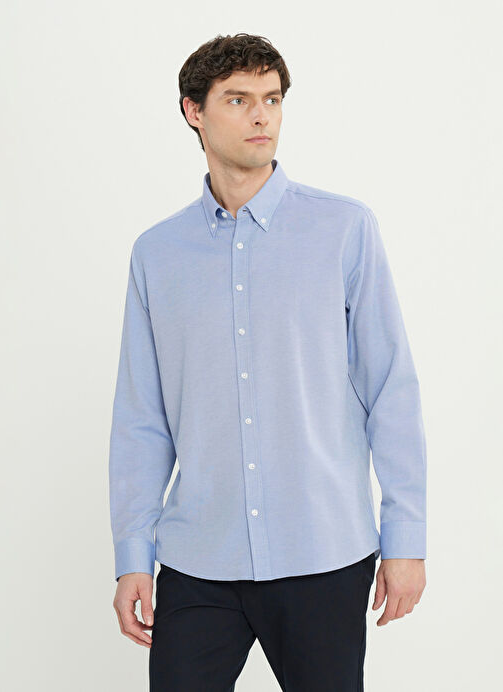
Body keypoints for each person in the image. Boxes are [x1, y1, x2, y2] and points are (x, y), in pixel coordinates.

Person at [109, 32, 427, 691]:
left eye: (272, 99)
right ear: (194, 111)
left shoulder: (343, 230)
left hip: (323, 554)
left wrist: (405, 539)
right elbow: (142, 418)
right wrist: (133, 554)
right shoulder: (157, 254)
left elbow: (390, 390)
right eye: (238, 99)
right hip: (199, 559)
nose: (261, 116)